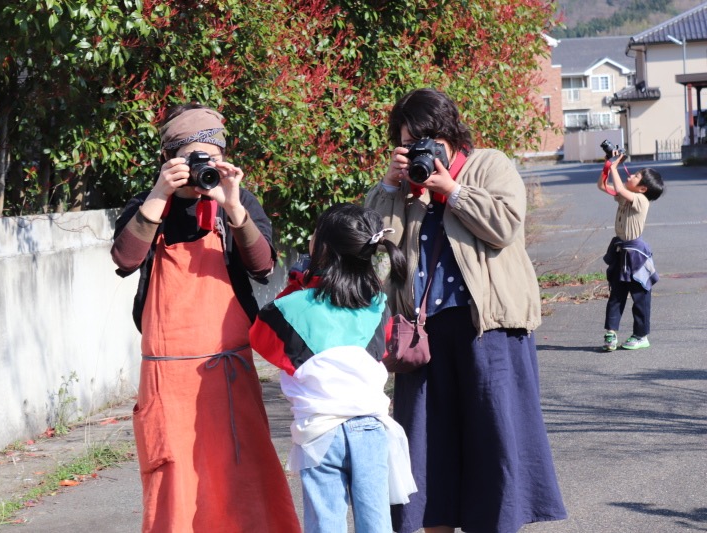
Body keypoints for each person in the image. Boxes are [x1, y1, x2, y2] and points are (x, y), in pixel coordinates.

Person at [364, 88, 567, 533]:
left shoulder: (489, 164)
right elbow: (373, 248)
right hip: (422, 339)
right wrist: (389, 187)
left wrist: (452, 191)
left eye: (428, 139)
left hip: (487, 332)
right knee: (428, 451)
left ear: (450, 133)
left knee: (491, 445)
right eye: (409, 142)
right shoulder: (404, 188)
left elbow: (504, 225)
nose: (422, 150)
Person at [110, 103, 300, 533]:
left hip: (228, 371)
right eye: (192, 160)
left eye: (210, 160)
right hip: (167, 379)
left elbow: (264, 268)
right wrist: (159, 196)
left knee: (243, 471)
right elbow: (124, 259)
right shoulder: (149, 205)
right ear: (169, 160)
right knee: (173, 478)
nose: (202, 171)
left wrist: (233, 208)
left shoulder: (236, 202)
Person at [249, 203, 418, 533]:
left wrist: (300, 282)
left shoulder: (289, 307)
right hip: (370, 426)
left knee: (325, 523)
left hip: (319, 430)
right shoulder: (377, 303)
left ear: (321, 248)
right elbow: (381, 349)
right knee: (376, 523)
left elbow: (261, 339)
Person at [597, 152, 664, 351]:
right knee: (616, 294)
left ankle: (641, 335)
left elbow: (618, 186)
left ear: (643, 188)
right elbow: (602, 186)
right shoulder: (625, 198)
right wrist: (607, 165)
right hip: (621, 251)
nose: (630, 177)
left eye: (634, 177)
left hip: (636, 255)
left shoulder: (641, 200)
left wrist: (615, 168)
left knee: (640, 296)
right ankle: (611, 333)